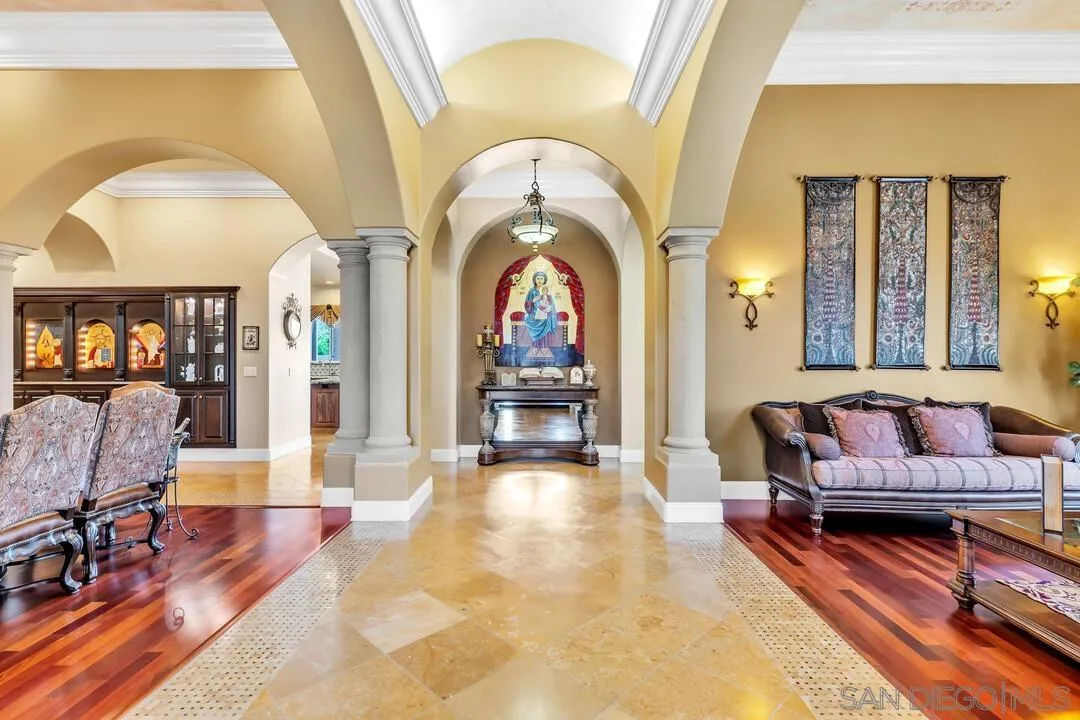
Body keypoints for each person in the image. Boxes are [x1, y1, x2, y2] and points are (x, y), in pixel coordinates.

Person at [523, 271, 559, 349]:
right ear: (534, 280)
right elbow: (527, 303)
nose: (539, 280)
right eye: (538, 278)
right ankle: (535, 346)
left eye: (541, 278)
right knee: (531, 318)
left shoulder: (547, 291)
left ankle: (544, 346)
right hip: (533, 312)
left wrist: (547, 309)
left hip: (545, 312)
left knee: (548, 319)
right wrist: (533, 302)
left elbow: (551, 304)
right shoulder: (532, 290)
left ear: (544, 280)